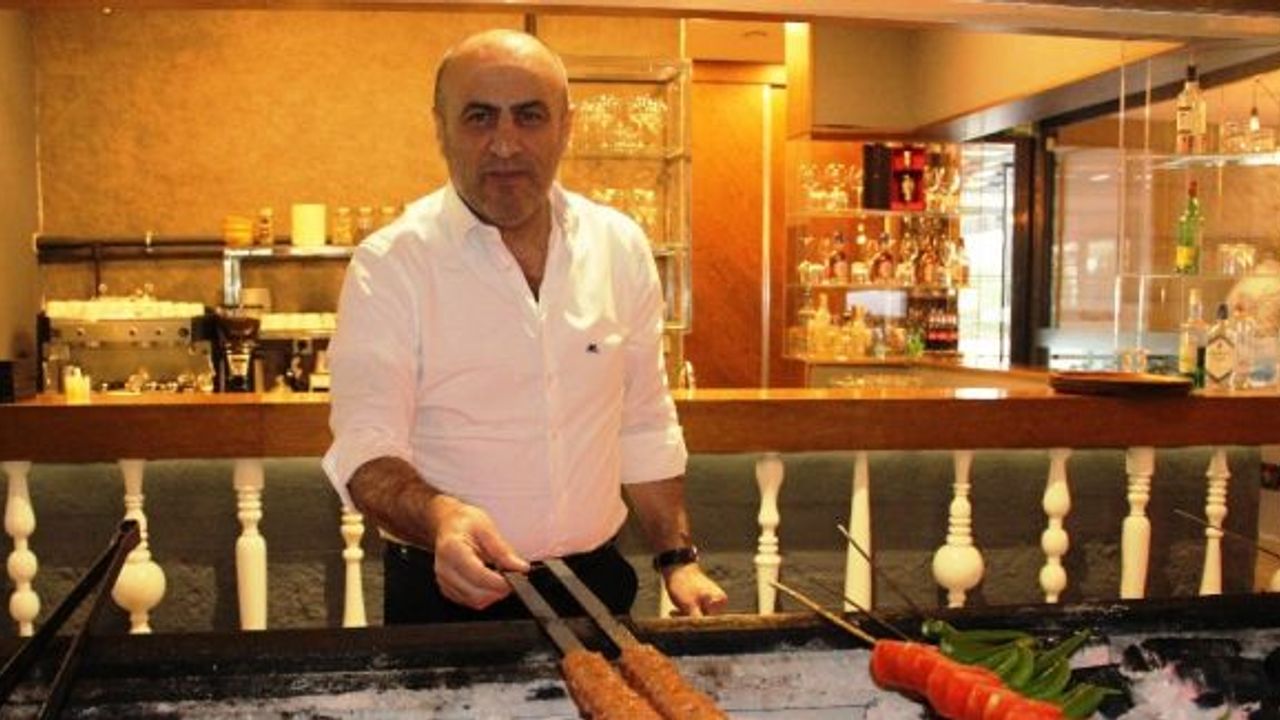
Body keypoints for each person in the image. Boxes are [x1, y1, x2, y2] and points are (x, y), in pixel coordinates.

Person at [321, 28, 727, 624]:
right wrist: (441, 518)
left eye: (530, 116)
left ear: (566, 126)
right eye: (480, 117)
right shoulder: (392, 263)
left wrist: (676, 558)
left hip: (596, 585)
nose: (505, 143)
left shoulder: (619, 246)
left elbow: (644, 421)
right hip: (449, 593)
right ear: (441, 129)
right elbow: (365, 448)